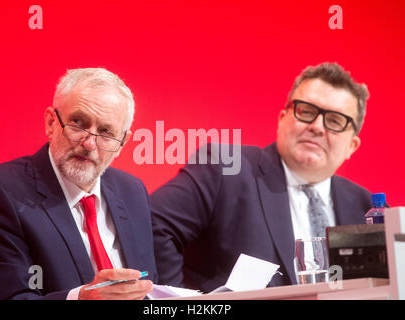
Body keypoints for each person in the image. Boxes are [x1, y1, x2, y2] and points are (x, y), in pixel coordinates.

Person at [151, 62, 372, 293]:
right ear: (282, 119)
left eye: (335, 121)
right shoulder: (225, 167)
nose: (317, 127)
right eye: (306, 111)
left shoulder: (365, 208)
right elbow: (153, 225)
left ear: (352, 146)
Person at [0, 68, 156, 300]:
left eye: (106, 132)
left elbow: (153, 289)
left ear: (122, 143)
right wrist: (80, 298)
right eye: (78, 123)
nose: (89, 143)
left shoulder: (133, 192)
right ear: (50, 123)